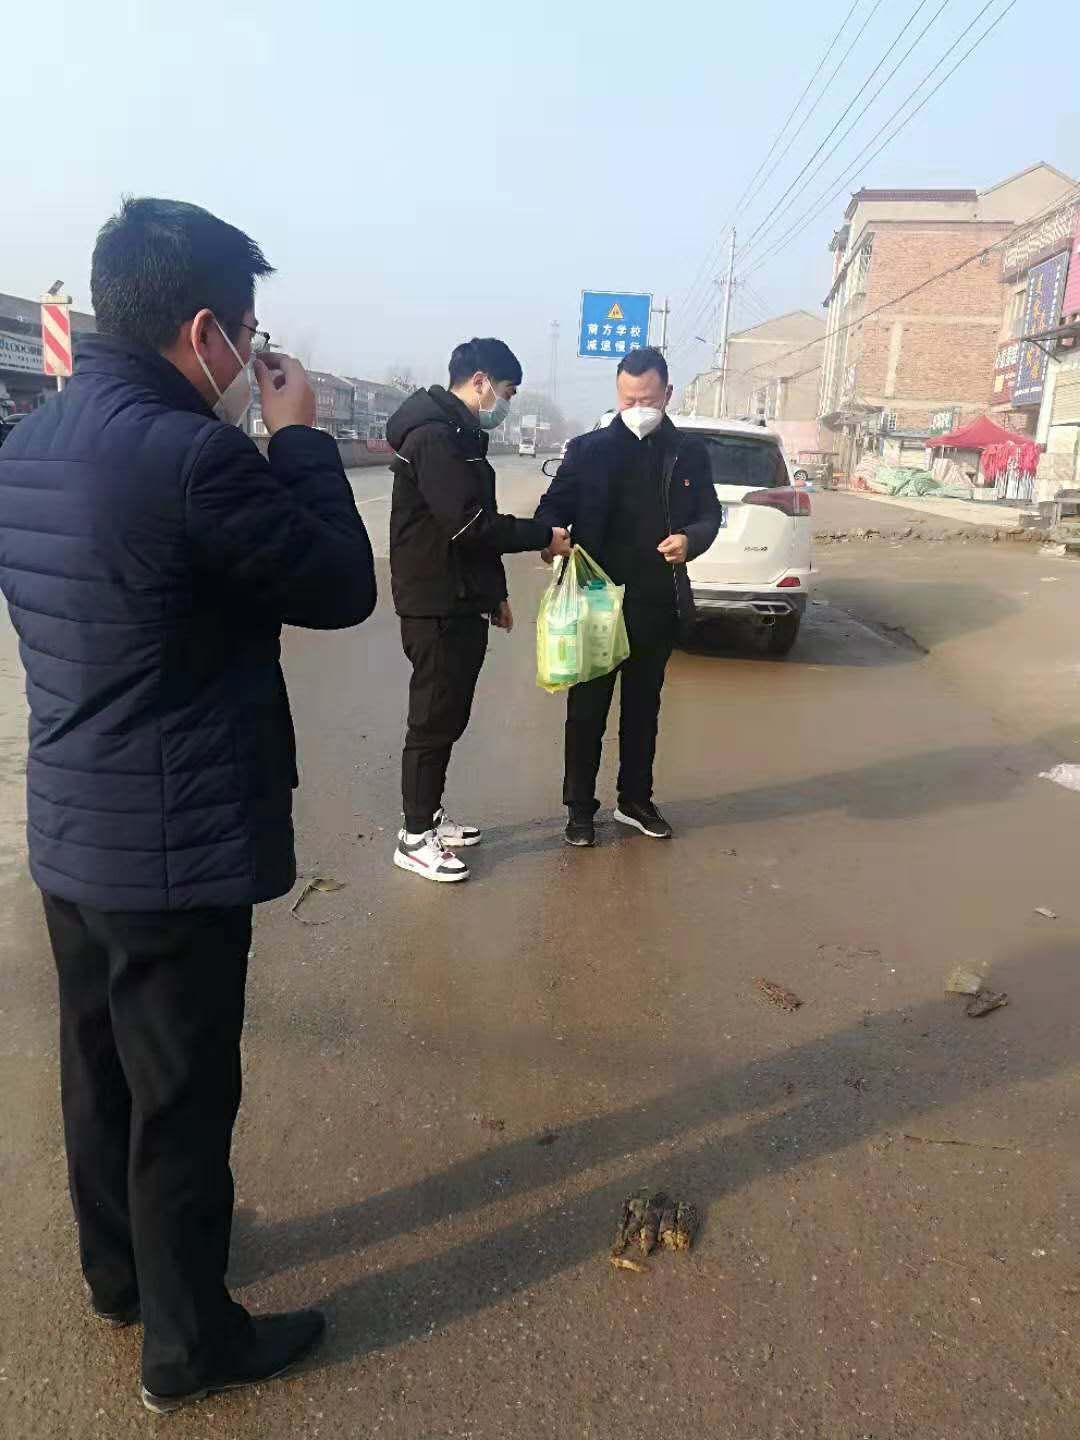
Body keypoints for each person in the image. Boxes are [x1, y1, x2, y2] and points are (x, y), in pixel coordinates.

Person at [0, 198, 377, 1413]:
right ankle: (190, 1343)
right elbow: (340, 585)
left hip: (72, 829)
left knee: (99, 1071)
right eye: (248, 332)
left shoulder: (27, 445)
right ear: (207, 331)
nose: (253, 355)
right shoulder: (196, 458)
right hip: (172, 845)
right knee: (182, 1098)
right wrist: (300, 439)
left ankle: (121, 1275)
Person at [387, 338, 571, 882]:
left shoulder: (460, 435)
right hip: (435, 599)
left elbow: (475, 526)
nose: (506, 403)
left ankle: (429, 815)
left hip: (461, 595)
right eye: (507, 392)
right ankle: (414, 838)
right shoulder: (434, 437)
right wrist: (543, 535)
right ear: (481, 381)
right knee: (432, 717)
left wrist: (494, 596)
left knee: (450, 714)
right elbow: (470, 525)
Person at [535, 346, 721, 848]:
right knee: (586, 711)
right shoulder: (588, 450)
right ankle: (579, 809)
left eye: (648, 399)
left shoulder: (688, 452)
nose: (638, 408)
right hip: (594, 603)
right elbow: (553, 506)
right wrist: (550, 537)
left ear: (668, 394)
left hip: (654, 600)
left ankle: (635, 801)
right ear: (617, 394)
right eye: (628, 399)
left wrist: (691, 539)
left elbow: (710, 514)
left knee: (643, 710)